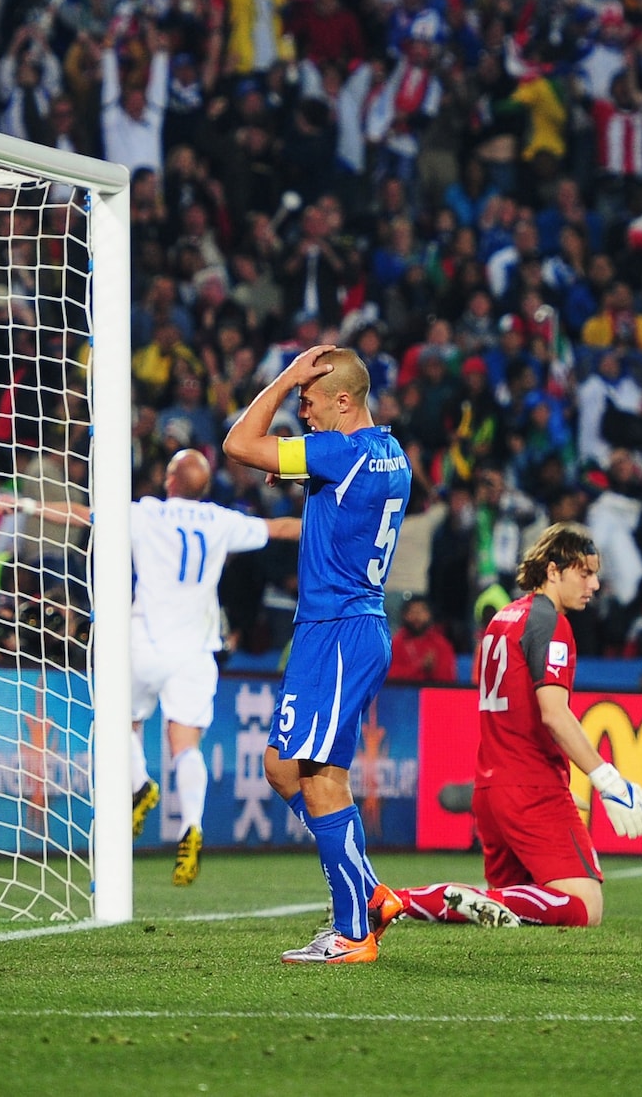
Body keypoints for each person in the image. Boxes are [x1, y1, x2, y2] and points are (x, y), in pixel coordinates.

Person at [221, 344, 413, 964]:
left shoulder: (336, 452)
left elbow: (238, 443)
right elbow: (342, 498)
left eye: (308, 400)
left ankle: (353, 931)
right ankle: (369, 892)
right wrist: (306, 472)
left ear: (343, 400)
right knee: (282, 768)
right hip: (344, 629)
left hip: (337, 629)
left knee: (321, 778)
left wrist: (283, 377)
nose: (301, 411)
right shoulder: (389, 453)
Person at [385, 524, 642, 929]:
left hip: (493, 787)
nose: (595, 584)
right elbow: (554, 714)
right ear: (553, 571)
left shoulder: (504, 618)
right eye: (584, 573)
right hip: (530, 786)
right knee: (584, 906)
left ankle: (394, 902)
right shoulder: (550, 623)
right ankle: (450, 898)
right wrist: (607, 780)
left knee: (515, 905)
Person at [124, 450, 300, 885]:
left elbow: (84, 515)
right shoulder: (220, 520)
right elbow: (278, 528)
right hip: (197, 651)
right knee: (185, 745)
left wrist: (29, 505)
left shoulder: (146, 514)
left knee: (119, 723)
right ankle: (191, 827)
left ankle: (140, 785)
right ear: (203, 486)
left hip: (146, 641)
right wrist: (338, 521)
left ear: (169, 479)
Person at [386, 594, 458, 683]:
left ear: (430, 615)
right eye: (412, 611)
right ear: (404, 615)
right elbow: (388, 675)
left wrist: (431, 669)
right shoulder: (395, 644)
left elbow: (448, 680)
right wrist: (419, 667)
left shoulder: (441, 644)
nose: (417, 617)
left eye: (421, 611)